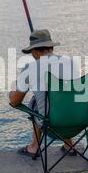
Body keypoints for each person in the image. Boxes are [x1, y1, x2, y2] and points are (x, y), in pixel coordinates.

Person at [9, 29, 81, 157]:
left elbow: (15, 101)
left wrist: (14, 85)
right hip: (78, 118)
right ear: (51, 47)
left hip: (50, 122)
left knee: (35, 103)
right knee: (61, 100)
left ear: (35, 52)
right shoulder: (70, 62)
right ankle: (69, 145)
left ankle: (34, 147)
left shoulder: (30, 68)